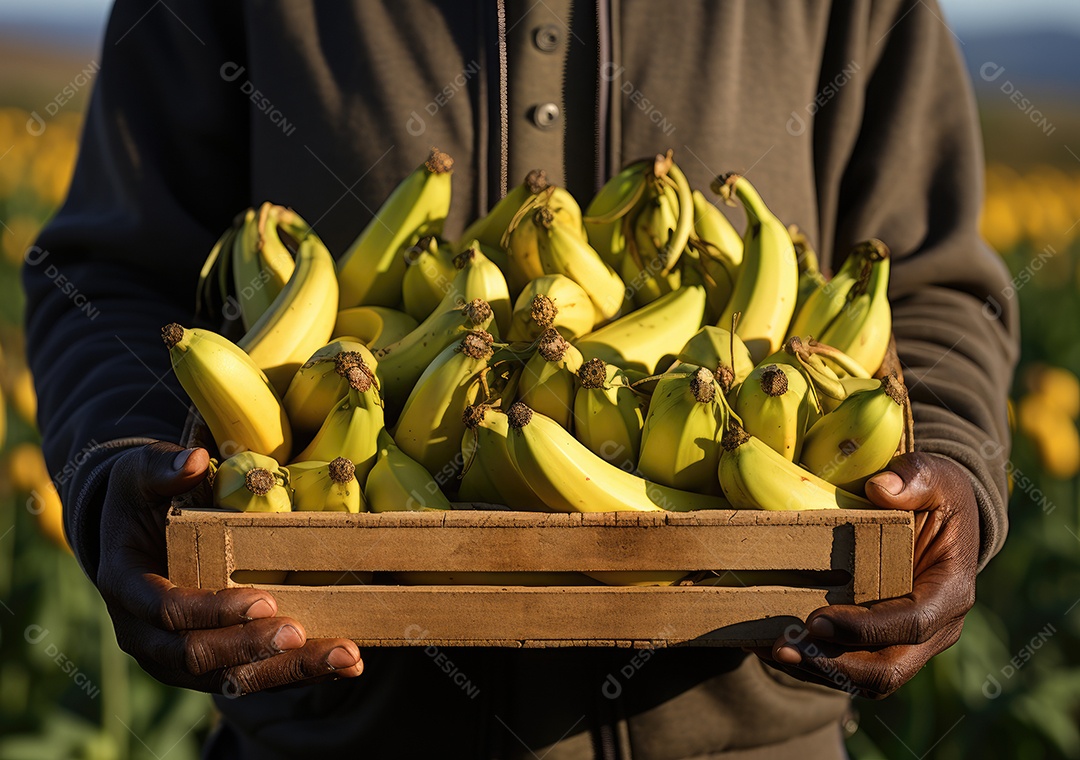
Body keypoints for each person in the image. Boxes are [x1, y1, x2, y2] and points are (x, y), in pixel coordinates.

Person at [24, 1, 1018, 757]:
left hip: (752, 736)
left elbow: (928, 283)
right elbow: (107, 275)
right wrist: (117, 466)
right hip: (330, 732)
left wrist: (954, 474)